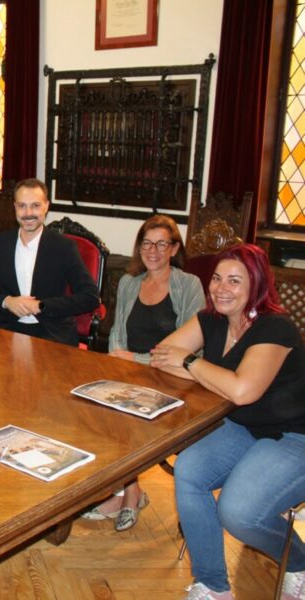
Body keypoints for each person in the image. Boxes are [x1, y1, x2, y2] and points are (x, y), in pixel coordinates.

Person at [149, 244, 305, 600]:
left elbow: (244, 390)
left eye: (235, 281)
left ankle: (299, 562)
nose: (221, 288)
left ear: (257, 286)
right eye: (217, 278)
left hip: (295, 435)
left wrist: (191, 363)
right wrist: (206, 371)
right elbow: (161, 357)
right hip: (244, 426)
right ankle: (212, 585)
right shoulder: (212, 319)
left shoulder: (275, 328)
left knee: (238, 513)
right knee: (189, 470)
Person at [83, 215, 206, 531]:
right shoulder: (129, 282)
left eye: (161, 243)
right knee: (93, 408)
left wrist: (132, 360)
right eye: (147, 243)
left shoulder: (188, 285)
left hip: (175, 381)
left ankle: (127, 493)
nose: (153, 250)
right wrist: (119, 366)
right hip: (130, 372)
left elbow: (187, 351)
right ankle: (129, 490)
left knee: (127, 418)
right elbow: (117, 336)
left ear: (174, 248)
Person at [0, 178, 99, 345]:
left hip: (52, 334)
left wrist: (42, 306)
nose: (28, 212)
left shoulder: (64, 247)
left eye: (35, 206)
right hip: (7, 330)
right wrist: (7, 301)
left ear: (46, 206)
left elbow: (90, 297)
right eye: (22, 206)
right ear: (15, 207)